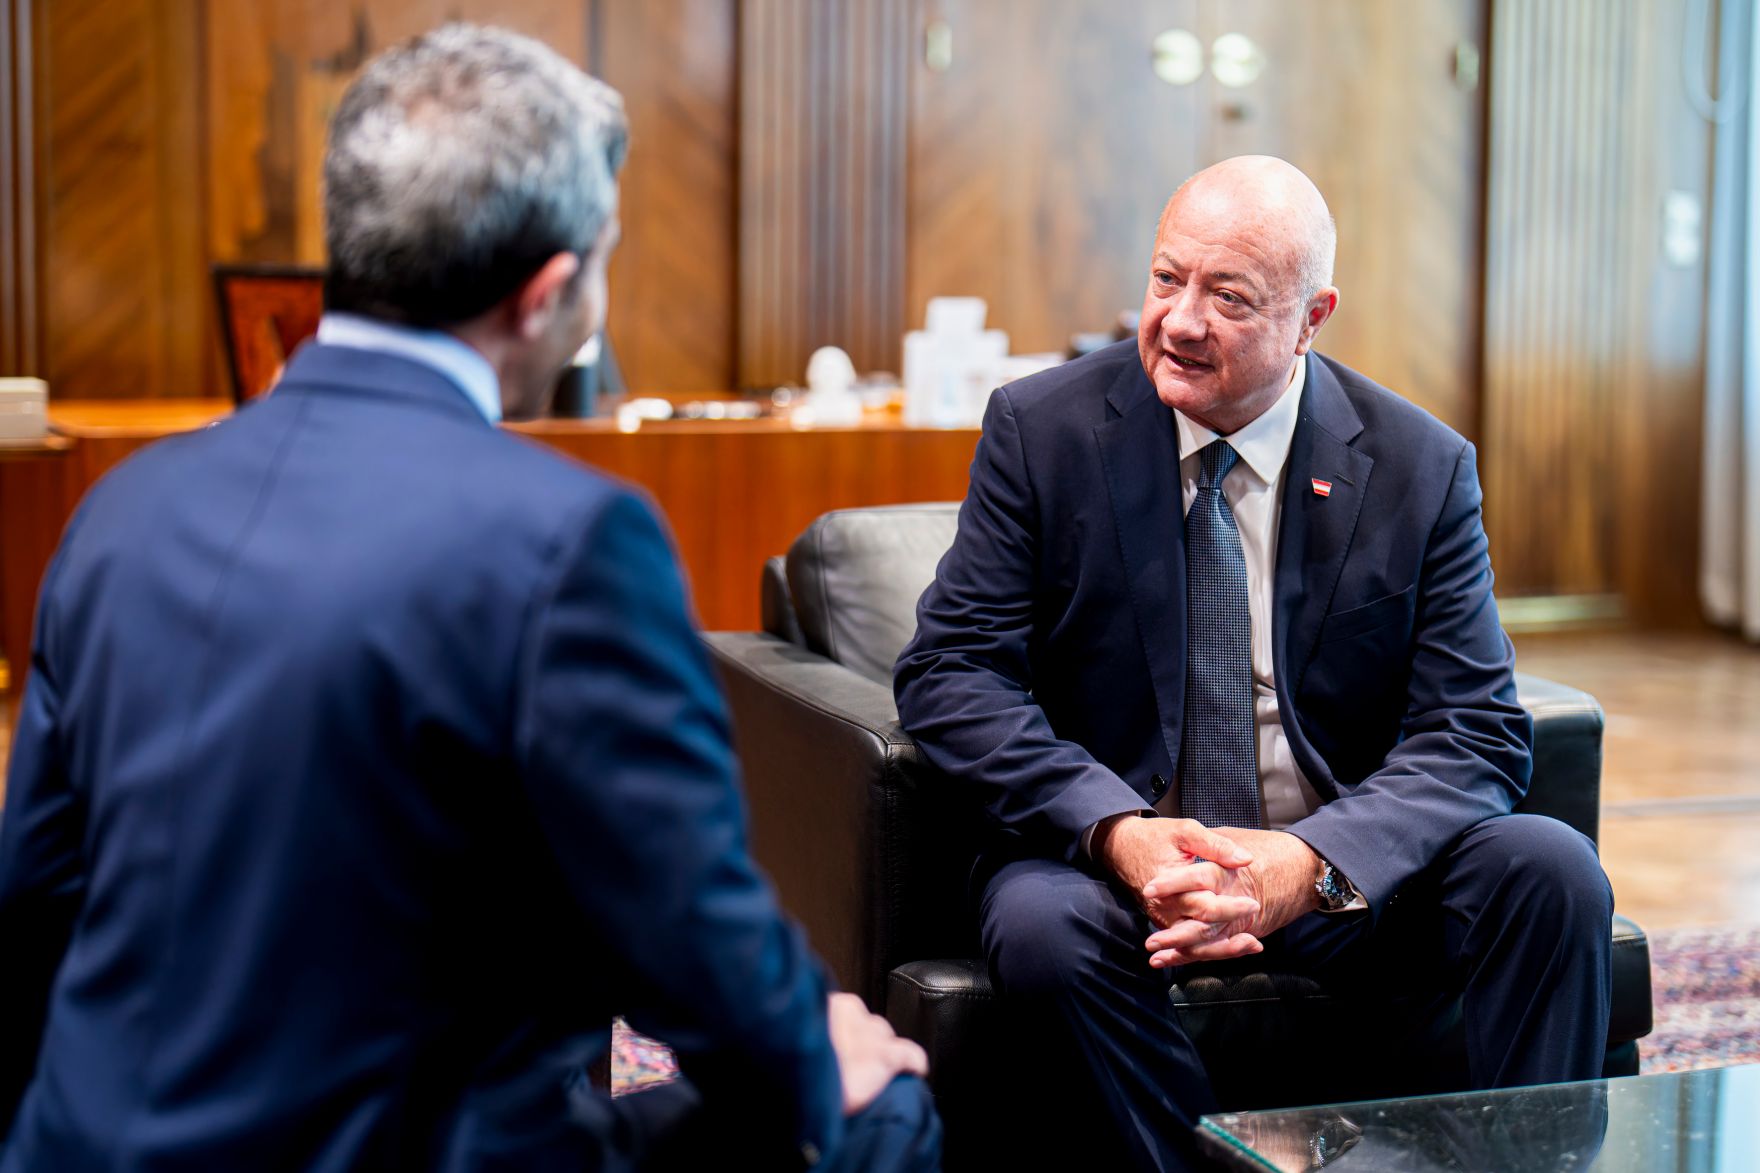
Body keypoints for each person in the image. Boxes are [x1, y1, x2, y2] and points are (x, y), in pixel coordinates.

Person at [0, 24, 937, 1172]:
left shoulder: (120, 509)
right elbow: (692, 940)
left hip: (84, 1134)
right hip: (408, 1138)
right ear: (550, 294)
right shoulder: (567, 539)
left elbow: (36, 895)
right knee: (875, 1107)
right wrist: (822, 1045)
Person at [894, 155, 1612, 1171]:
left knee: (1551, 875)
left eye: (1226, 296)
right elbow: (950, 672)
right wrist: (1116, 833)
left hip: (1335, 879)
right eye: (1164, 279)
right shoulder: (1042, 431)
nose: (1179, 320)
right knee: (1037, 926)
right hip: (1121, 869)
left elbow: (1473, 729)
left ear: (1311, 316)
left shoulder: (1418, 466)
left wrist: (1311, 864)